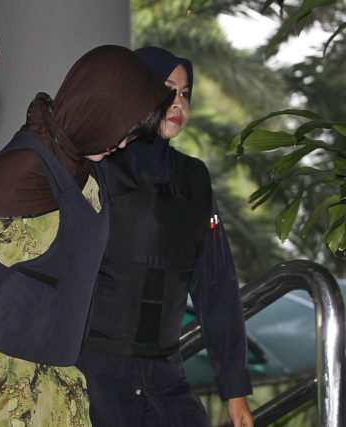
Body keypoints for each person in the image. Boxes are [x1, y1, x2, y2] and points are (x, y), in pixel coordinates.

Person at [0, 45, 175, 425]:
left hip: (55, 385)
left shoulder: (89, 173)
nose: (123, 144)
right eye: (122, 131)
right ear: (97, 111)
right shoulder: (19, 171)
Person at [75, 46, 254, 427]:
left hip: (166, 377)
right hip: (96, 376)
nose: (179, 102)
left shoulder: (194, 179)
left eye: (185, 93)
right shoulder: (97, 167)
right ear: (135, 90)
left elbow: (217, 286)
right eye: (167, 88)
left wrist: (235, 391)